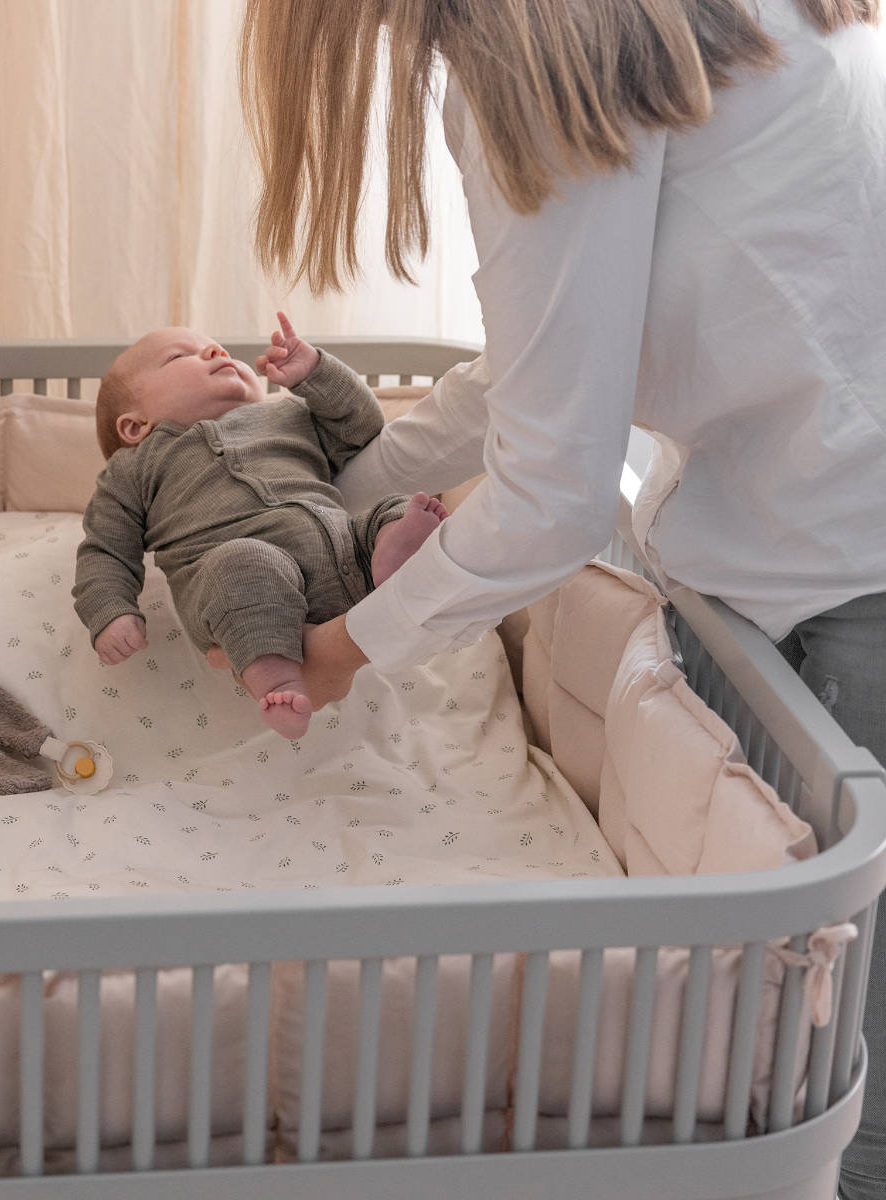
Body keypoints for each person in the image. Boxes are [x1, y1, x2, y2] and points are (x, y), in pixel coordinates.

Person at [235, 1, 885, 1194]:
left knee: (839, 1067)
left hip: (847, 555)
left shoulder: (539, 62)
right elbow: (539, 369)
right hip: (815, 520)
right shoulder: (643, 31)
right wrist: (341, 490)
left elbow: (550, 499)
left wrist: (338, 651)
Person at [72, 314, 447, 739]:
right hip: (244, 587)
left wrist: (315, 372)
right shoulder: (132, 469)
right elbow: (105, 549)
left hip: (343, 550)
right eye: (179, 356)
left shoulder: (290, 415)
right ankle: (279, 680)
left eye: (220, 349)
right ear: (135, 425)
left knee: (395, 511)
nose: (216, 351)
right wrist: (110, 611)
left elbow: (362, 428)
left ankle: (390, 563)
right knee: (243, 562)